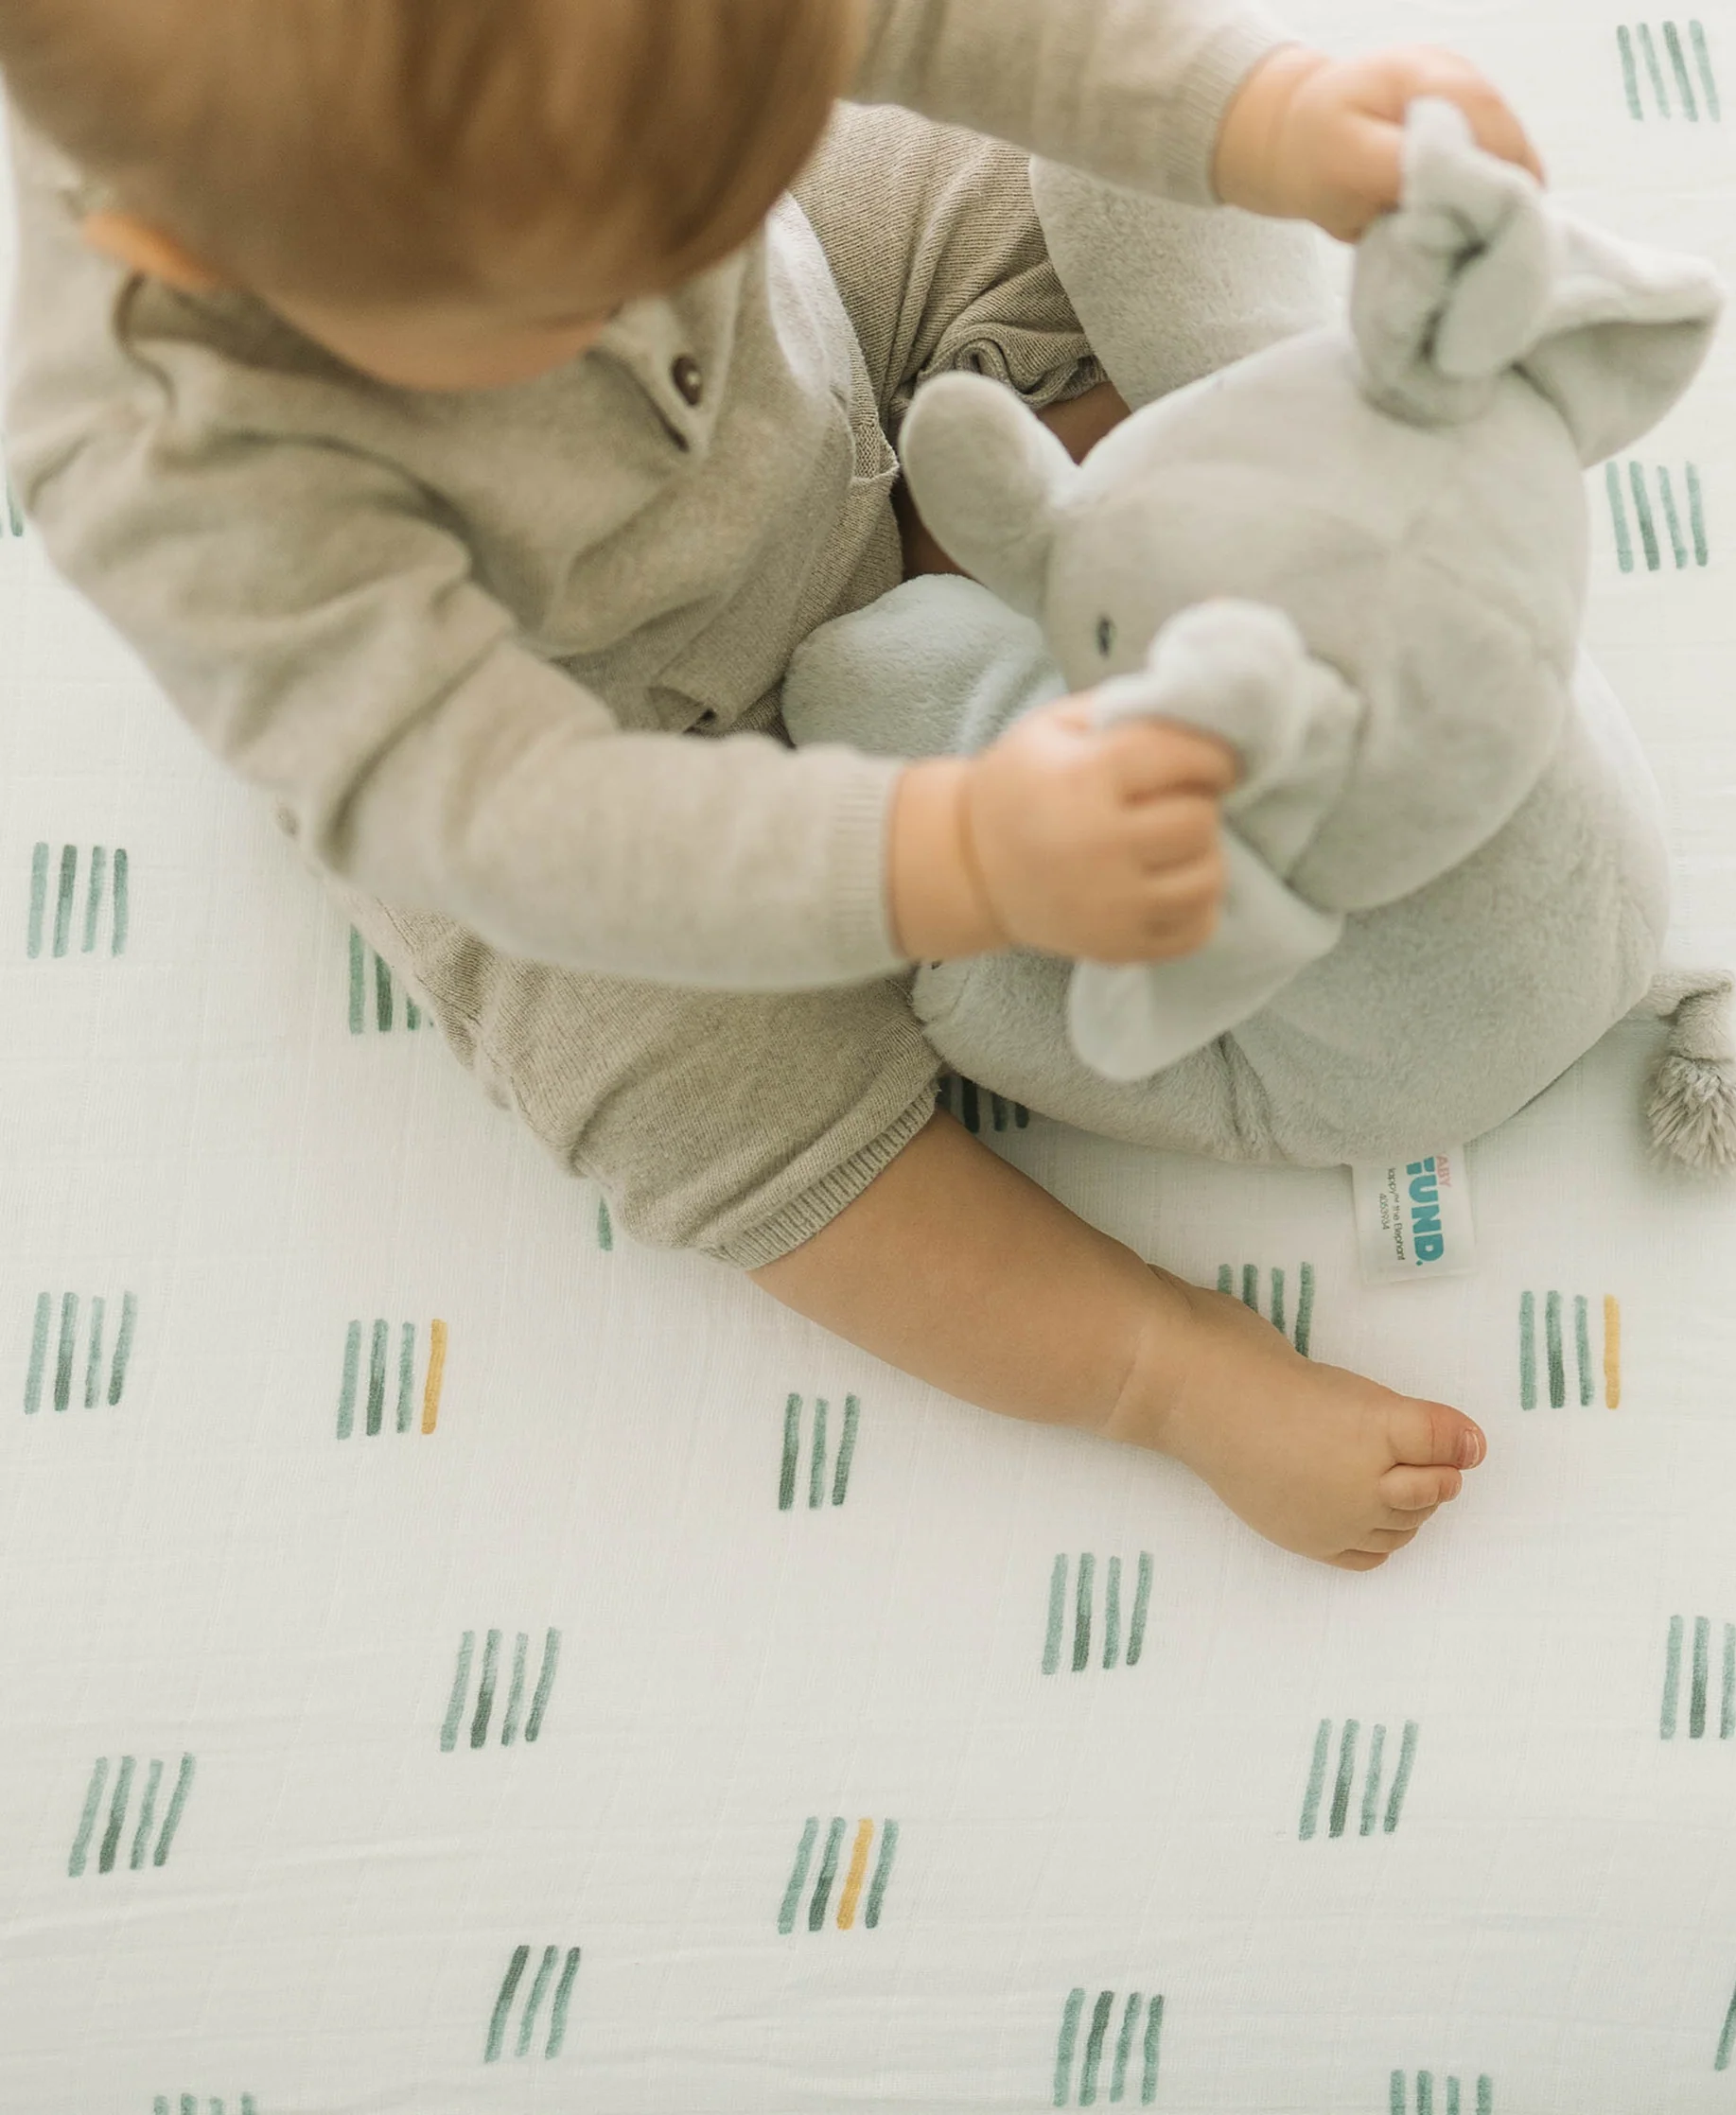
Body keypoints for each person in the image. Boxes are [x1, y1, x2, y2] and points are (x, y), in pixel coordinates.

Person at [0, 0, 1542, 1568]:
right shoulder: (184, 479)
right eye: (590, 278)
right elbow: (511, 821)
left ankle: (1040, 556)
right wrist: (955, 856)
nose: (674, 262)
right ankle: (1166, 1374)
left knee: (1068, 203)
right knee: (694, 1095)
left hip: (814, 361)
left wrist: (1261, 113)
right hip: (580, 749)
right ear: (197, 255)